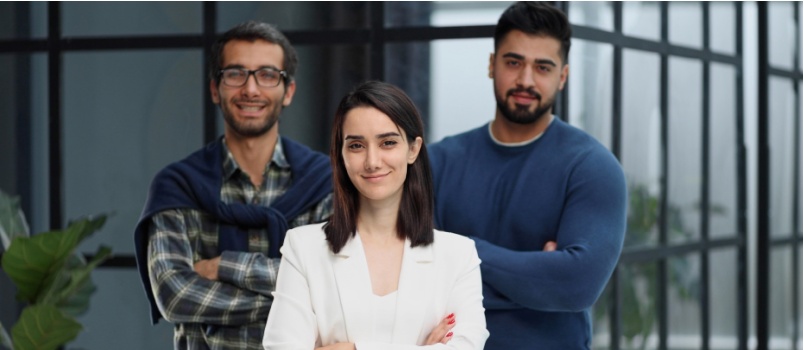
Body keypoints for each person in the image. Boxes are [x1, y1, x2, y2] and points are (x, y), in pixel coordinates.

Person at [428, 2, 628, 349]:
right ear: (492, 65)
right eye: (513, 62)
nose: (525, 80)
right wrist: (538, 275)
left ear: (562, 76)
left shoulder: (591, 166)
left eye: (543, 67)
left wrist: (458, 250)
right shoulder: (437, 161)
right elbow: (418, 278)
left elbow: (576, 285)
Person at [133, 21, 333, 349]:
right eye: (235, 74)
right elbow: (175, 295)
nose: (251, 90)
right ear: (215, 89)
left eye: (268, 75)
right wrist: (293, 301)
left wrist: (223, 266)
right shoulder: (177, 186)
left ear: (289, 92)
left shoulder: (325, 181)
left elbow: (333, 282)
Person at [261, 81, 489, 350]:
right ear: (341, 154)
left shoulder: (458, 255)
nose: (372, 161)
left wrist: (353, 348)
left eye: (388, 143)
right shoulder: (303, 247)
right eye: (356, 145)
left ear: (413, 149)